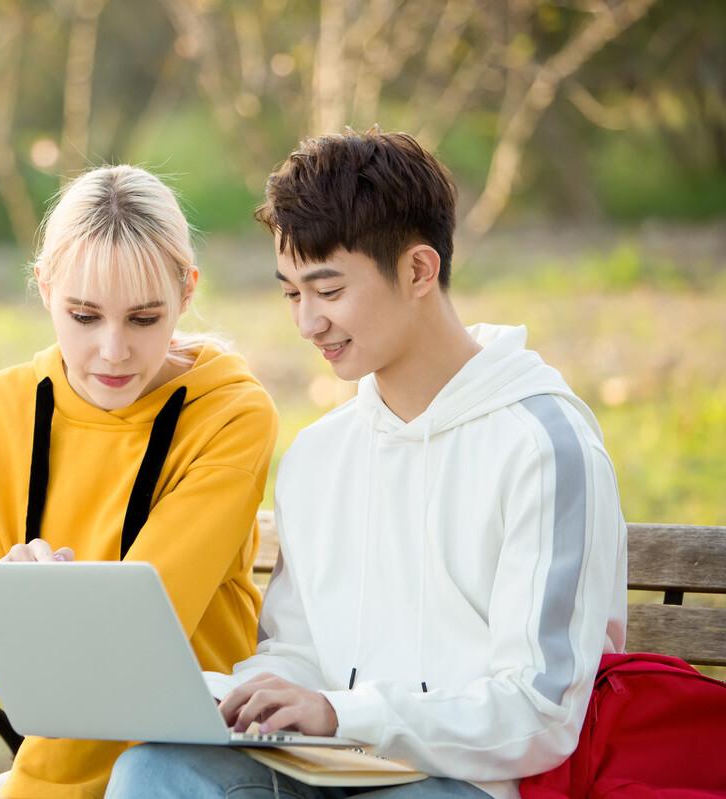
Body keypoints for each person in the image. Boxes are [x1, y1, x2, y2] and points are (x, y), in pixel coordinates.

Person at [106, 131, 628, 799]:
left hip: (464, 783)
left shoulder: (543, 447)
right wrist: (240, 696)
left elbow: (541, 708)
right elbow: (298, 649)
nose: (307, 322)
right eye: (292, 293)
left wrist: (343, 713)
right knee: (154, 771)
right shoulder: (320, 454)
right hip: (326, 769)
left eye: (327, 289)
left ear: (417, 270)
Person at [0, 164, 280, 798]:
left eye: (145, 319)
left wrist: (22, 614)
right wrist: (13, 599)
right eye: (84, 316)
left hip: (193, 767)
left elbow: (147, 629)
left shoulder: (231, 415)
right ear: (44, 287)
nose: (113, 351)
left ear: (187, 290)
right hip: (54, 770)